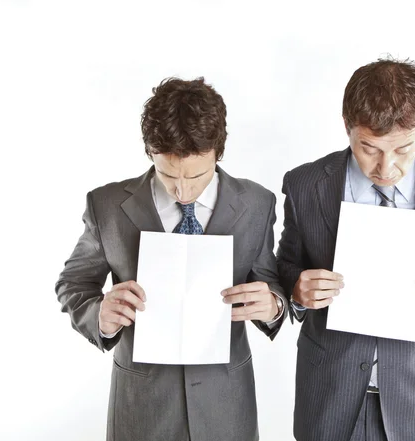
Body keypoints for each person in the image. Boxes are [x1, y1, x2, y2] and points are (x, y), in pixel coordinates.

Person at [276, 57, 415, 441]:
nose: (386, 167)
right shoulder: (303, 184)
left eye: (403, 149)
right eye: (370, 148)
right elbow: (286, 268)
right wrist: (297, 291)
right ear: (347, 128)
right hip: (328, 394)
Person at [55, 77, 287, 441]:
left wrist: (273, 304)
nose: (182, 191)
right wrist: (99, 314)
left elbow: (270, 280)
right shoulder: (106, 206)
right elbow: (73, 284)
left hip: (226, 405)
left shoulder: (258, 204)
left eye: (196, 176)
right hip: (142, 408)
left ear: (218, 152)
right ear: (150, 151)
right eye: (167, 174)